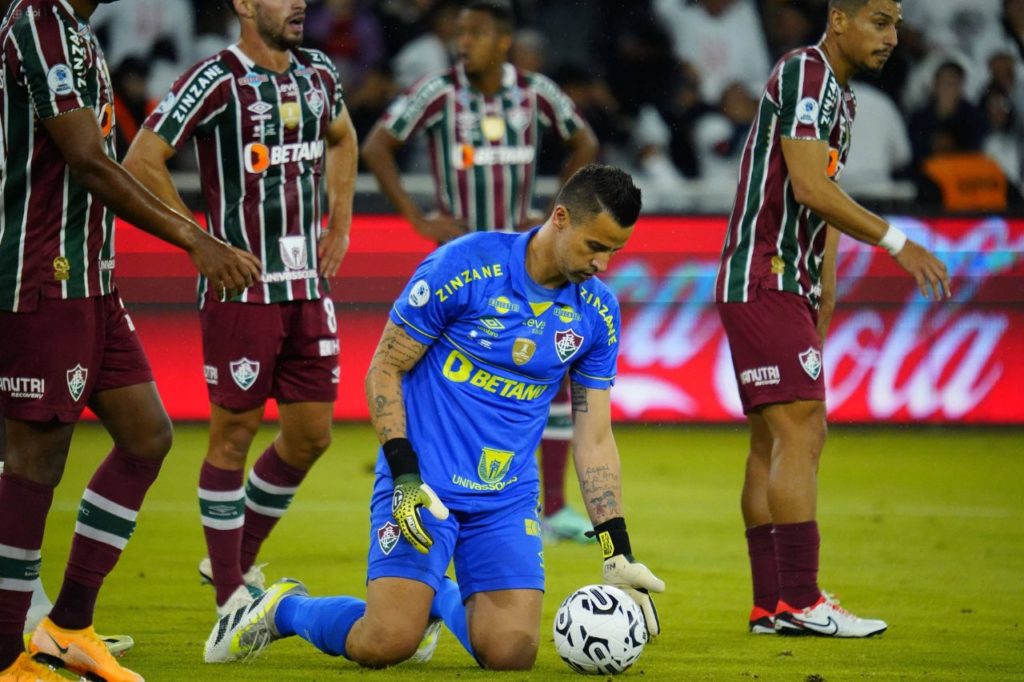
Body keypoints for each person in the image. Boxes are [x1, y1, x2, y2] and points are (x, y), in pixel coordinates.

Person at [203, 163, 664, 671]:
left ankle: (436, 598)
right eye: (594, 246)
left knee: (510, 653)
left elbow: (595, 436)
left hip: (505, 497)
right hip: (422, 485)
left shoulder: (596, 312)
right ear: (560, 218)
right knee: (383, 644)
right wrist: (402, 473)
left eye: (613, 252)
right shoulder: (464, 266)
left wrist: (615, 548)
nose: (602, 263)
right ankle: (283, 608)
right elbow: (384, 370)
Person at [0, 0, 262, 679]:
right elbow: (86, 159)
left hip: (91, 276)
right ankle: (6, 656)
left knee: (147, 435)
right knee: (33, 464)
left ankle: (68, 627)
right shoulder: (39, 21)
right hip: (41, 274)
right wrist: (194, 238)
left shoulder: (77, 31)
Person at [715, 0, 950, 638]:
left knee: (772, 442)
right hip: (763, 276)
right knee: (803, 434)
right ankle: (801, 600)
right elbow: (811, 189)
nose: (893, 37)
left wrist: (826, 290)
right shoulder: (806, 72)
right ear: (838, 18)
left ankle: (772, 606)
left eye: (897, 23)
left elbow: (822, 209)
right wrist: (902, 244)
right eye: (879, 20)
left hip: (783, 284)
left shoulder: (838, 97)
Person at [122, 0, 358, 618]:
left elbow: (343, 137)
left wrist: (341, 223)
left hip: (307, 286)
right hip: (242, 289)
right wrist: (197, 240)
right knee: (233, 437)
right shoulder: (214, 79)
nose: (299, 4)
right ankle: (230, 600)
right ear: (244, 5)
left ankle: (231, 558)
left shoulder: (319, 75)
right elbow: (142, 160)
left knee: (311, 436)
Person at [361, 0, 600, 544]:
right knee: (439, 379)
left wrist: (551, 216)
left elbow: (583, 140)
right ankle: (421, 485)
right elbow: (378, 144)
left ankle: (556, 506)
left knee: (547, 373)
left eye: (475, 33)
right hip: (461, 267)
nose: (462, 41)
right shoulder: (438, 91)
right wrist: (419, 218)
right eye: (459, 32)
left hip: (525, 262)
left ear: (503, 41)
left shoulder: (535, 91)